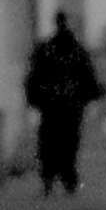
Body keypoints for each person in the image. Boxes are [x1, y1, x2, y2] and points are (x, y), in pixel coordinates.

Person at [23, 17, 100, 195]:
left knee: (50, 143)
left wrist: (34, 98)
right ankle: (67, 179)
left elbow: (34, 77)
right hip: (69, 106)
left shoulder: (46, 49)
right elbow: (88, 77)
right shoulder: (76, 50)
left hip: (52, 105)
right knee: (68, 143)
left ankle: (51, 179)